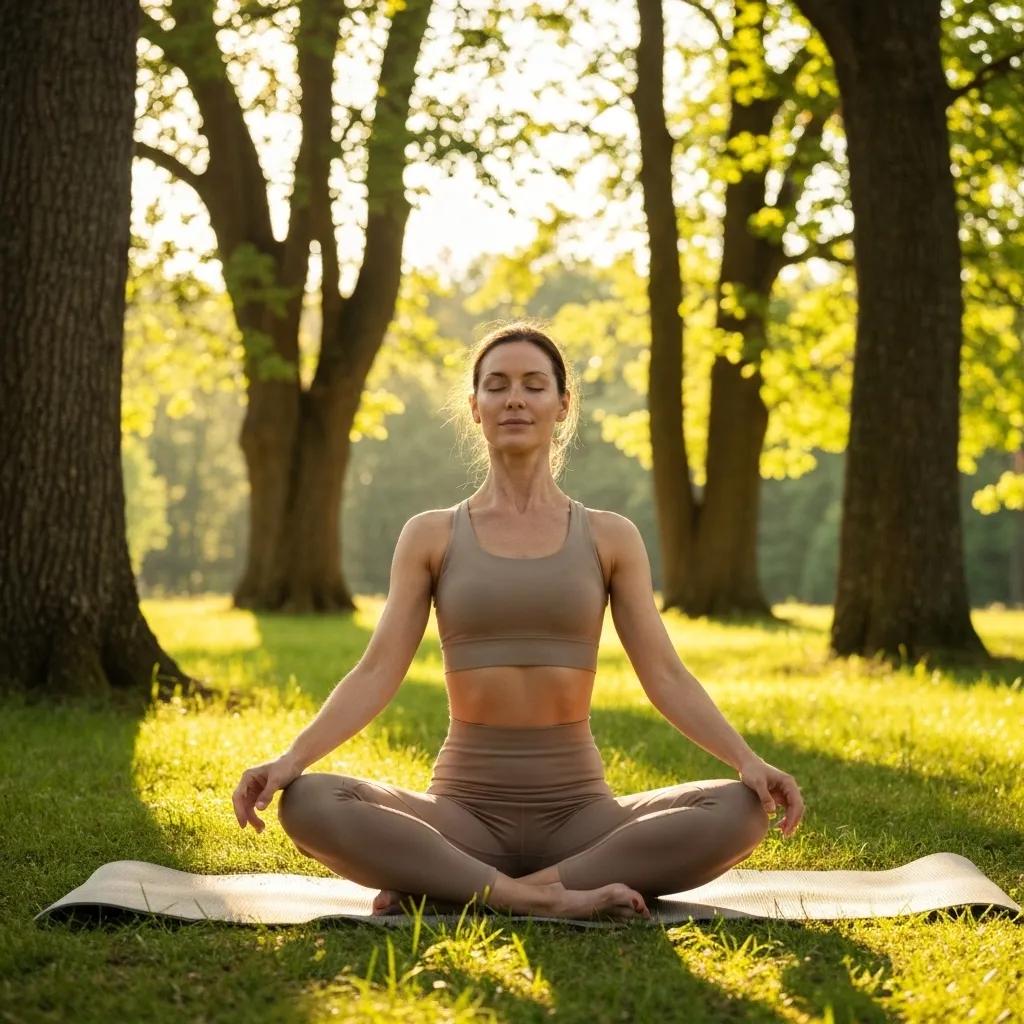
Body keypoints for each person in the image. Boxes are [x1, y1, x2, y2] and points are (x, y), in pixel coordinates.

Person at [231, 321, 804, 922]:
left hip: (581, 817)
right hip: (461, 815)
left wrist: (746, 760)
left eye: (534, 385)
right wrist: (291, 760)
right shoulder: (431, 535)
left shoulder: (611, 537)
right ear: (474, 407)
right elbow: (377, 671)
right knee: (311, 801)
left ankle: (466, 888)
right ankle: (532, 897)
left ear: (562, 405)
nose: (515, 399)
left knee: (741, 809)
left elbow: (664, 673)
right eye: (497, 385)